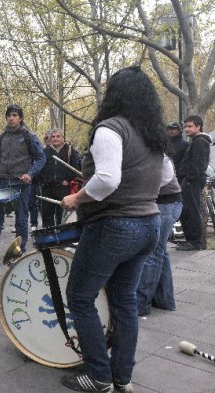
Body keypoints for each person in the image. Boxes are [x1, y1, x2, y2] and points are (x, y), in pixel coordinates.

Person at [60, 66, 168, 392]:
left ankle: (99, 376)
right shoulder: (153, 135)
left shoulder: (111, 129)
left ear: (114, 94)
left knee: (80, 297)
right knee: (125, 303)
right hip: (150, 223)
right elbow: (164, 179)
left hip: (114, 226)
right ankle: (122, 378)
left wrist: (76, 198)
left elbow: (107, 179)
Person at [0, 104, 45, 260]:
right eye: (9, 115)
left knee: (21, 219)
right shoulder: (2, 137)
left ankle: (19, 252)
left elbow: (41, 158)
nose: (11, 118)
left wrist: (30, 174)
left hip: (21, 184)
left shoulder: (29, 136)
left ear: (20, 118)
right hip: (3, 183)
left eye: (14, 115)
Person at [137, 155, 182, 316]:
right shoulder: (147, 152)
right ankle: (165, 300)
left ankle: (141, 304)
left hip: (166, 204)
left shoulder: (160, 156)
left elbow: (164, 178)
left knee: (153, 252)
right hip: (165, 204)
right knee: (160, 253)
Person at [175, 115, 212, 251]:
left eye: (190, 126)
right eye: (185, 127)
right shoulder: (196, 141)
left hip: (193, 180)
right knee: (187, 210)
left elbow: (198, 163)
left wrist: (189, 178)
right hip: (191, 180)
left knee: (191, 210)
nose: (186, 129)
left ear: (198, 127)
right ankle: (191, 240)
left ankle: (194, 242)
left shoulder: (199, 141)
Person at [39, 128, 81, 228]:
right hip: (47, 188)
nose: (55, 139)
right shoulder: (45, 152)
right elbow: (39, 168)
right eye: (53, 137)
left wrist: (67, 180)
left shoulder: (70, 151)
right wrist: (42, 181)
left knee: (62, 215)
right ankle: (49, 238)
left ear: (62, 138)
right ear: (50, 138)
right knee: (47, 215)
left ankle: (61, 239)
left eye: (58, 136)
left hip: (63, 188)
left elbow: (75, 168)